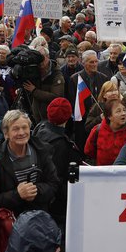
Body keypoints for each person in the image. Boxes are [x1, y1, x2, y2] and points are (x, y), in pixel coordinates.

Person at [0, 110, 60, 216]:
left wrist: (36, 191)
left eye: (25, 127)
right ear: (6, 134)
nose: (21, 133)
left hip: (40, 218)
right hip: (12, 222)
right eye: (16, 129)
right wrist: (17, 195)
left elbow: (54, 184)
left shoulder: (42, 150)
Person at [32, 98, 85, 230]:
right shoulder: (61, 144)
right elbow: (59, 176)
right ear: (67, 117)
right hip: (57, 204)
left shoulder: (40, 128)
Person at [85, 99, 126, 166]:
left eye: (124, 110)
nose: (123, 113)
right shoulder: (97, 130)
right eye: (118, 111)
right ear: (109, 116)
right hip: (104, 173)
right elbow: (88, 151)